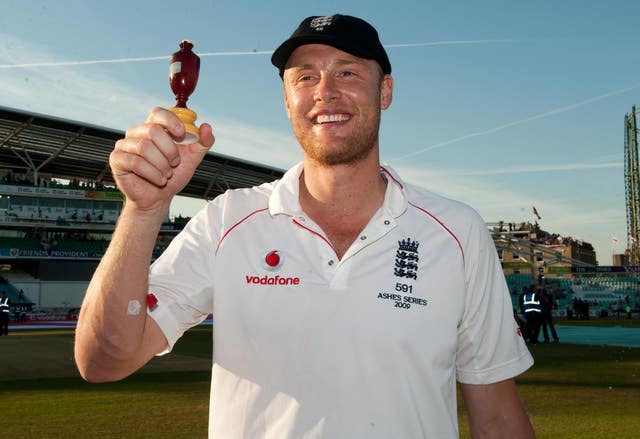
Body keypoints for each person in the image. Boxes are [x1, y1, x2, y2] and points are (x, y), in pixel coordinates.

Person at [75, 14, 535, 438]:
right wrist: (145, 209)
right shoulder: (226, 221)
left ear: (386, 91)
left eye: (347, 72)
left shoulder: (456, 232)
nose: (325, 92)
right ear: (287, 98)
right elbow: (103, 361)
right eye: (306, 77)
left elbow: (495, 413)